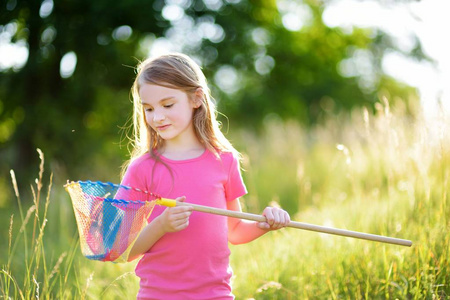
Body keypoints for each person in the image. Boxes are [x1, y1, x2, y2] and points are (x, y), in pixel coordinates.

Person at [121, 53, 290, 299]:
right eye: (148, 108)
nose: (157, 117)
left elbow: (234, 231)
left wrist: (265, 224)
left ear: (196, 98)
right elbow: (123, 251)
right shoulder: (142, 169)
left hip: (216, 294)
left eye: (167, 105)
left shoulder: (224, 161)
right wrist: (161, 225)